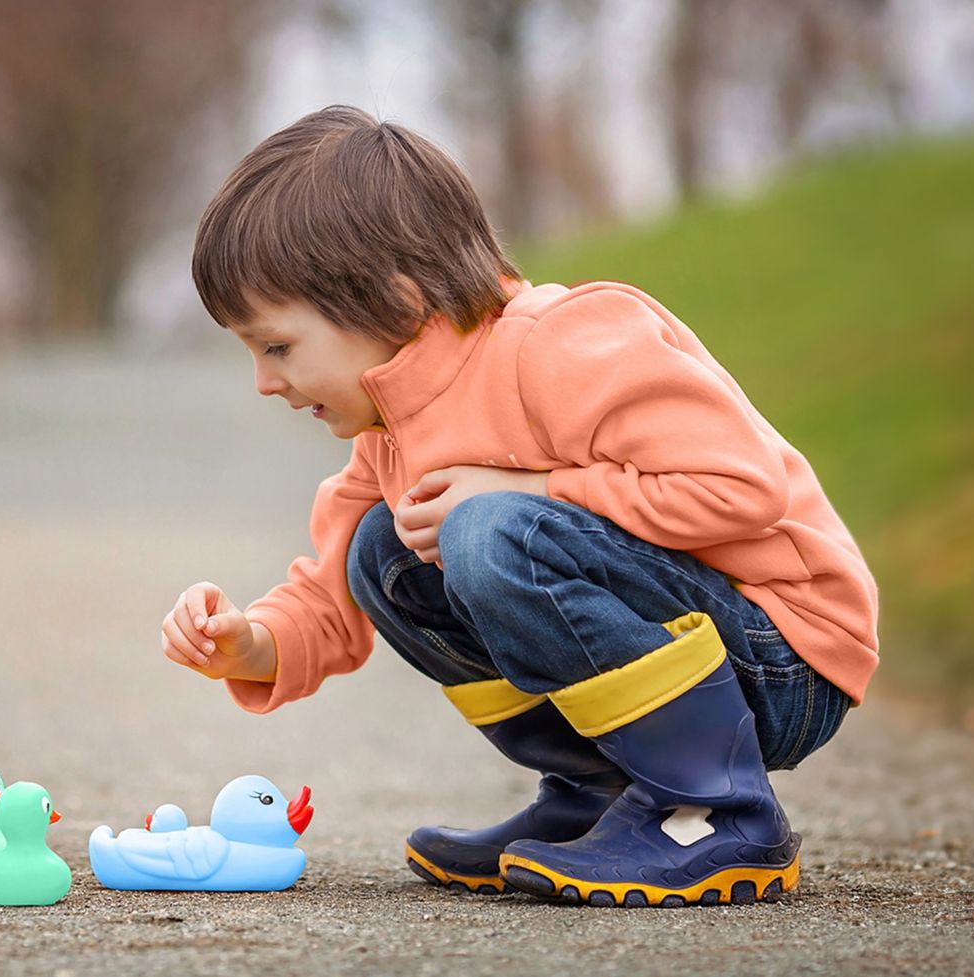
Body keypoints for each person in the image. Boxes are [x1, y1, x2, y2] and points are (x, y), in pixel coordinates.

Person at [159, 105, 879, 907]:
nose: (264, 380)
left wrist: (534, 490)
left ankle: (713, 806)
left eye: (277, 346)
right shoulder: (390, 428)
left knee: (488, 530)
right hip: (701, 649)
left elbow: (743, 488)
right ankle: (600, 791)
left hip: (784, 654)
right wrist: (251, 643)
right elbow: (333, 593)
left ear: (395, 304)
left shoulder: (558, 345)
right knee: (380, 550)